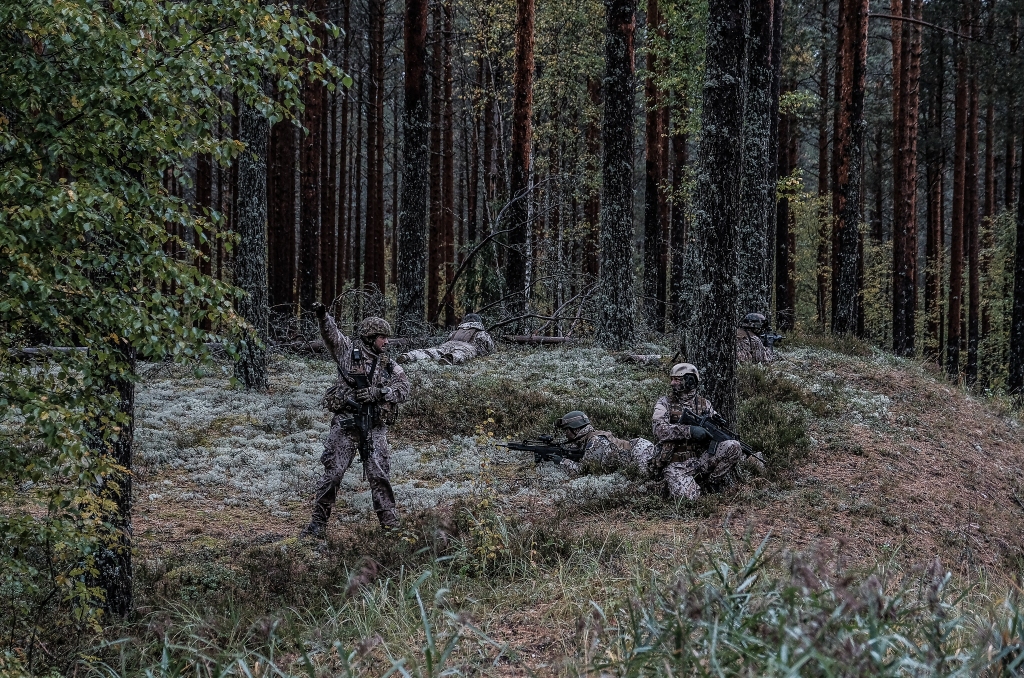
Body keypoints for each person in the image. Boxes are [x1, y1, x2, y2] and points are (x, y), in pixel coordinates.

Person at [302, 303, 410, 537]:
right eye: (383, 337)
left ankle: (391, 528)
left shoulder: (388, 364)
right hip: (346, 425)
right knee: (333, 474)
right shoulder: (347, 353)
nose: (387, 342)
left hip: (375, 427)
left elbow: (404, 387)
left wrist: (381, 393)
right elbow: (331, 335)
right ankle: (317, 525)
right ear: (370, 337)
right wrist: (323, 316)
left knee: (380, 476)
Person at [651, 363, 755, 501]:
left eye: (677, 379)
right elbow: (658, 430)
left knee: (734, 446)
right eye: (672, 379)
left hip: (701, 460)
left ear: (690, 380)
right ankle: (676, 485)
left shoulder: (705, 404)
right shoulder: (664, 403)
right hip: (676, 464)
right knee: (689, 499)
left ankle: (711, 483)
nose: (672, 383)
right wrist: (689, 430)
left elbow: (716, 430)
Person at [554, 410, 658, 479]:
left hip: (639, 451)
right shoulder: (586, 438)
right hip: (637, 450)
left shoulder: (595, 441)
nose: (565, 434)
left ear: (575, 429)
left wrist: (562, 461)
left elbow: (584, 471)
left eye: (566, 430)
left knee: (645, 481)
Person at [398, 313, 496, 365]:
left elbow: (448, 340)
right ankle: (448, 359)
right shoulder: (482, 333)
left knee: (432, 352)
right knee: (460, 353)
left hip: (448, 344)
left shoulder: (455, 331)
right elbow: (490, 348)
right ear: (479, 322)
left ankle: (409, 356)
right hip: (467, 347)